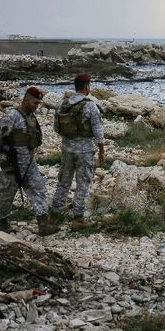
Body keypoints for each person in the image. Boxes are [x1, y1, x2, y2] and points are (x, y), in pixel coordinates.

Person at [0, 87, 57, 236]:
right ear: (25, 100)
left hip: (28, 162)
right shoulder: (12, 116)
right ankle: (2, 222)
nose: (36, 106)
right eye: (34, 102)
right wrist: (0, 156)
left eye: (38, 103)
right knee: (7, 192)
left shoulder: (31, 116)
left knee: (38, 188)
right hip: (13, 163)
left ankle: (43, 224)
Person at [49, 73, 105, 230]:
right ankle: (78, 218)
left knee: (63, 182)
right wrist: (101, 150)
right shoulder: (90, 106)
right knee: (83, 183)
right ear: (87, 87)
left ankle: (53, 215)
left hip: (67, 148)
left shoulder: (62, 104)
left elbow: (56, 128)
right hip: (85, 150)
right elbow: (98, 131)